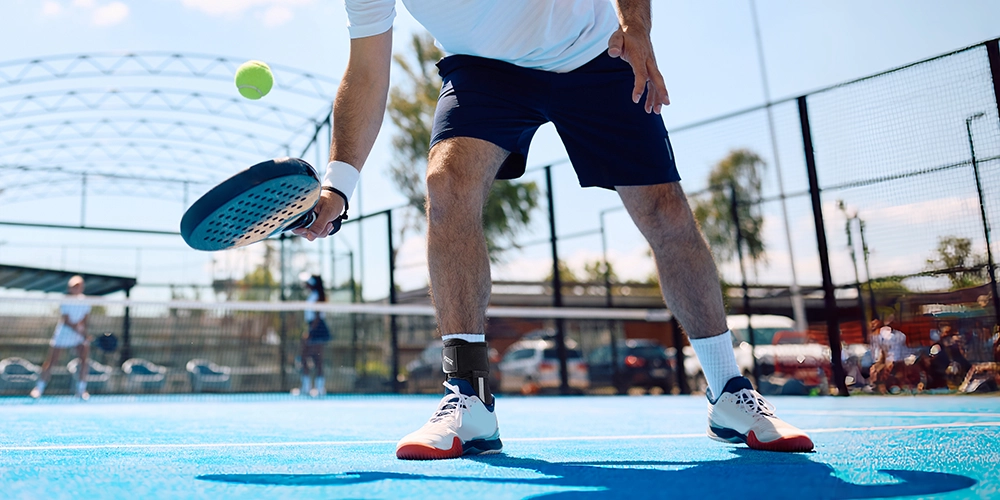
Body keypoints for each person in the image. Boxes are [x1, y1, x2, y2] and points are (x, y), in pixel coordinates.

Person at [295, 0, 813, 459]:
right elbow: (365, 72)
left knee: (665, 210)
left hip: (592, 51)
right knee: (447, 182)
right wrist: (338, 184)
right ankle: (468, 398)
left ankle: (729, 391)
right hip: (485, 72)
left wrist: (636, 25)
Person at [31, 275, 92, 400]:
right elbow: (66, 320)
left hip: (78, 335)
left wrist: (83, 333)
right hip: (64, 334)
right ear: (70, 288)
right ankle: (39, 388)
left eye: (79, 286)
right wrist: (78, 330)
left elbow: (84, 320)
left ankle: (81, 390)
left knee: (85, 361)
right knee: (51, 361)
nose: (76, 288)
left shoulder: (86, 301)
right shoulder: (65, 300)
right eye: (74, 286)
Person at [293, 274, 331, 397]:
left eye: (308, 283)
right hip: (312, 327)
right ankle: (306, 387)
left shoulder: (318, 296)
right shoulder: (311, 296)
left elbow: (317, 315)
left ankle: (320, 388)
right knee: (304, 357)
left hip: (318, 328)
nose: (306, 285)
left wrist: (311, 332)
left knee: (318, 359)